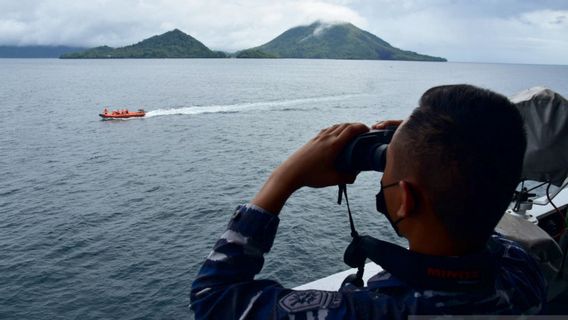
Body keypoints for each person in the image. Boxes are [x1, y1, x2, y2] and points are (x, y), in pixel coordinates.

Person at [190, 84, 546, 319]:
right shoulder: (524, 274)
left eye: (387, 173)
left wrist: (284, 179)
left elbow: (213, 297)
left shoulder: (370, 310)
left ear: (404, 200)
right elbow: (482, 195)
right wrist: (422, 147)